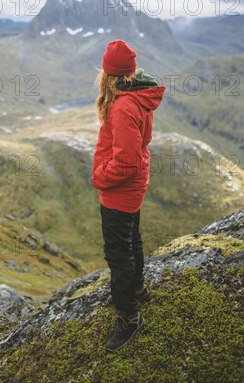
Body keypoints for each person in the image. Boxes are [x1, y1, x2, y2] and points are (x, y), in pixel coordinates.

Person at [92, 39, 166, 352]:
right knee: (131, 239)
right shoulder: (136, 94)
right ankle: (136, 288)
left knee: (117, 252)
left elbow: (126, 160)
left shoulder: (122, 107)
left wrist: (100, 177)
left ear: (109, 75)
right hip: (132, 187)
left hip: (120, 190)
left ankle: (130, 318)